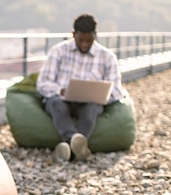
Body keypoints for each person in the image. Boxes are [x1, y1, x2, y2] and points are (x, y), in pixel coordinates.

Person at [36, 13, 124, 161]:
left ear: (95, 35)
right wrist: (60, 90)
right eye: (80, 40)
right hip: (61, 100)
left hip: (90, 103)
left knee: (92, 109)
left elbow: (116, 91)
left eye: (88, 40)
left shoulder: (107, 57)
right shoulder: (58, 51)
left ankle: (68, 148)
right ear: (73, 34)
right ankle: (74, 143)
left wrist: (99, 95)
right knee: (57, 104)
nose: (84, 44)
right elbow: (42, 83)